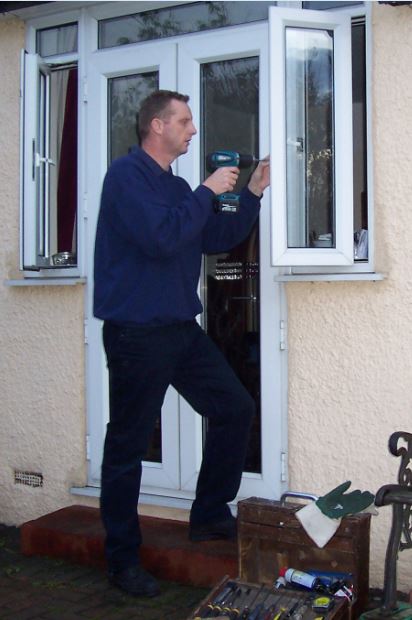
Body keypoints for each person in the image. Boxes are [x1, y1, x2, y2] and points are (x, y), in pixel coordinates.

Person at [93, 90, 270, 598]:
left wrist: (252, 194)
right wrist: (206, 190)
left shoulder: (173, 186)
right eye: (185, 121)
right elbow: (160, 238)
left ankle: (210, 513)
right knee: (126, 446)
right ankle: (121, 561)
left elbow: (212, 237)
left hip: (177, 329)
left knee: (234, 407)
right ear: (156, 126)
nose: (193, 130)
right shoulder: (127, 178)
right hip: (136, 333)